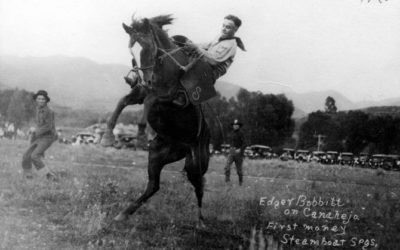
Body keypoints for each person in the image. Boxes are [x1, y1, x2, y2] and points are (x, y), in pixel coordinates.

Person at [22, 90, 57, 180]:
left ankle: (50, 176)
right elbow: (39, 124)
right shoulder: (38, 109)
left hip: (48, 137)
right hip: (39, 136)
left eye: (43, 99)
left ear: (46, 100)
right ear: (36, 100)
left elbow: (48, 126)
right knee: (26, 155)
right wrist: (33, 130)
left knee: (35, 156)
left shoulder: (49, 112)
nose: (41, 101)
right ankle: (28, 176)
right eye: (39, 99)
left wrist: (35, 131)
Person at [225, 119, 246, 185]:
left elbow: (245, 143)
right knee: (227, 167)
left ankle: (240, 182)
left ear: (239, 126)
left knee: (239, 170)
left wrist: (240, 149)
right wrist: (229, 148)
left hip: (239, 153)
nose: (235, 126)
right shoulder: (232, 133)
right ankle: (227, 181)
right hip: (232, 151)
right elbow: (232, 142)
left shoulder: (241, 133)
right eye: (234, 125)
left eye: (236, 125)